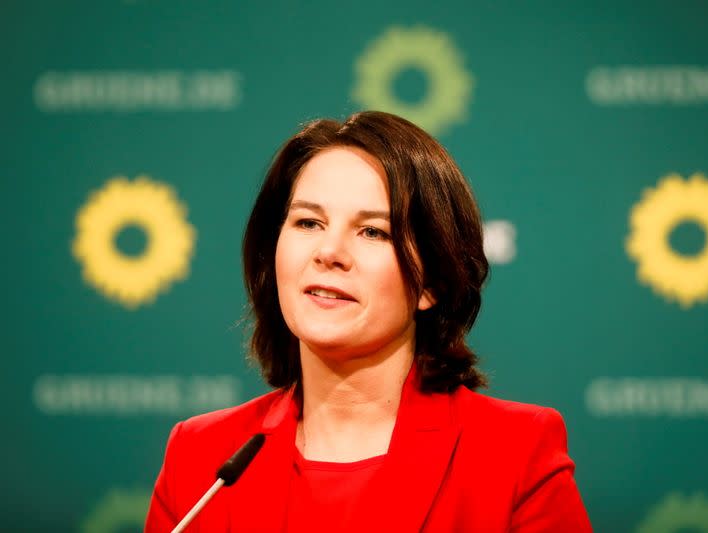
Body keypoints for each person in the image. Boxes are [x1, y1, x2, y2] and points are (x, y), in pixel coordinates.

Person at [144, 111, 592, 532]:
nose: (329, 252)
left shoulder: (514, 454)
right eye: (307, 222)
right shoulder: (200, 456)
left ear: (431, 282)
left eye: (373, 231)